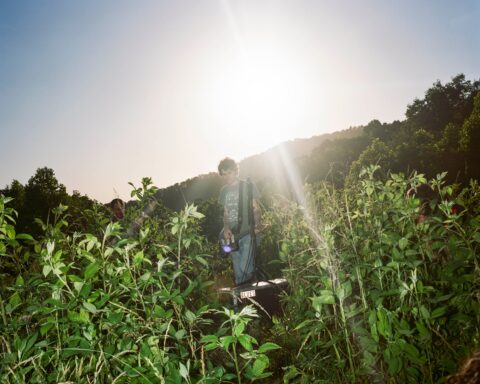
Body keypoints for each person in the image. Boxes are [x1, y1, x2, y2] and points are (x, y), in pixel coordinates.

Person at [217, 157, 263, 286]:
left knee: (245, 267)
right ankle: (247, 302)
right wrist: (226, 228)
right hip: (232, 237)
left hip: (248, 233)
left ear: (236, 171)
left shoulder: (248, 186)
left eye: (229, 172)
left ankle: (257, 283)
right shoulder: (224, 191)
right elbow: (225, 213)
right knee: (239, 275)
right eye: (223, 174)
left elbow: (256, 208)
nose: (226, 177)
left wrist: (257, 224)